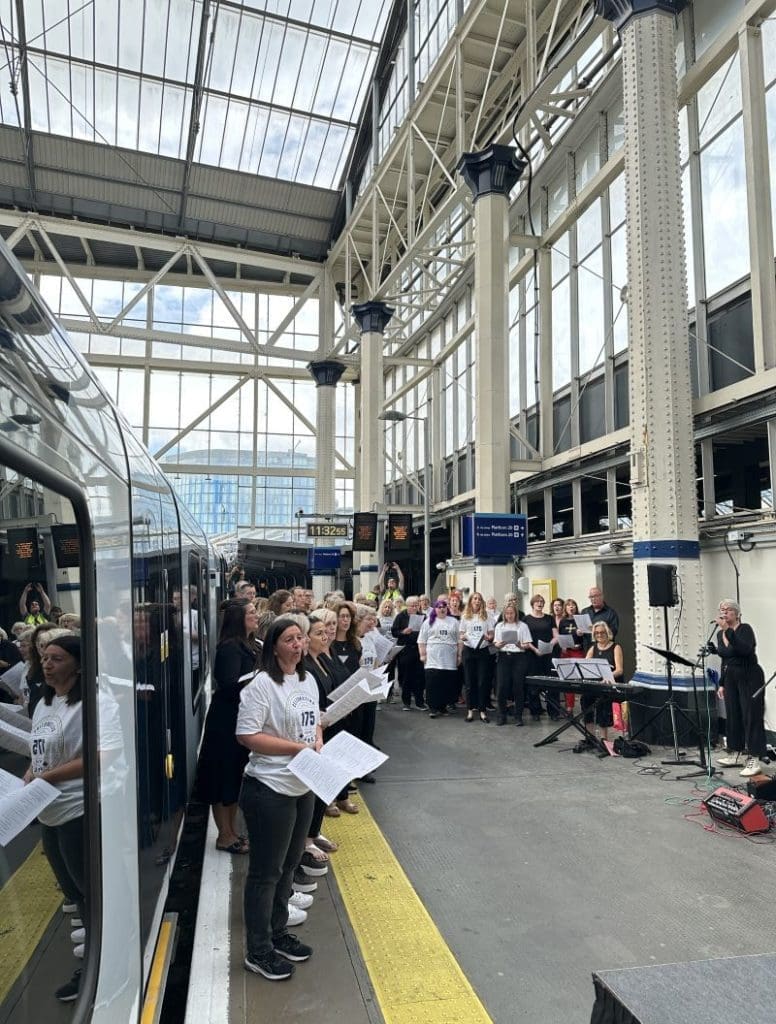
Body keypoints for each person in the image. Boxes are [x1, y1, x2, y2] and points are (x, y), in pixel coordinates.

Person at [236, 617, 321, 981]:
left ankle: (278, 931)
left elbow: (315, 719)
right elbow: (247, 735)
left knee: (288, 867)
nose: (298, 645)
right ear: (273, 646)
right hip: (268, 788)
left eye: (301, 638)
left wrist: (316, 740)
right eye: (290, 639)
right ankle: (258, 950)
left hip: (302, 786)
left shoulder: (308, 679)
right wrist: (296, 748)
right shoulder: (260, 685)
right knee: (265, 873)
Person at [194, 599, 259, 853]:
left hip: (239, 718)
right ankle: (224, 835)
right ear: (238, 619)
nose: (256, 616)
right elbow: (229, 683)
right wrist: (258, 678)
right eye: (252, 613)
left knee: (232, 778)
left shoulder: (248, 644)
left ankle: (231, 831)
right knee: (222, 778)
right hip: (226, 721)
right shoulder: (229, 648)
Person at [711, 600, 767, 777]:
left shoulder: (745, 630)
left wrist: (727, 630)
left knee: (751, 715)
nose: (724, 613)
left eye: (727, 610)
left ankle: (754, 758)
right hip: (731, 677)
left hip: (750, 675)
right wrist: (721, 683)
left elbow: (743, 650)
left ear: (736, 613)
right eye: (722, 610)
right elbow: (725, 658)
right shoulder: (721, 634)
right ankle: (735, 752)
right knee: (733, 714)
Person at [576, 622, 624, 752]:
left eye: (602, 632)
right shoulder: (593, 648)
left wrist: (608, 676)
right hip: (595, 683)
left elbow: (619, 670)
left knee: (604, 704)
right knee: (586, 700)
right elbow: (585, 666)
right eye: (596, 633)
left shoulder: (615, 647)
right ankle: (590, 738)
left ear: (607, 633)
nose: (599, 635)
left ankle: (604, 740)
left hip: (609, 683)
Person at [418, 598, 461, 718]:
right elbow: (421, 640)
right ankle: (433, 707)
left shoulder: (454, 622)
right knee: (433, 684)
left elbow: (459, 640)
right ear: (435, 609)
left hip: (449, 659)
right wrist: (423, 655)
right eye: (439, 607)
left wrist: (459, 655)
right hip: (433, 659)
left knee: (446, 683)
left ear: (447, 608)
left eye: (444, 607)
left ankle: (443, 707)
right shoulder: (428, 622)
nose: (442, 609)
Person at [493, 603, 532, 726]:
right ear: (504, 614)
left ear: (516, 614)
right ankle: (502, 715)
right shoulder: (500, 626)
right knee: (502, 686)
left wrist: (521, 645)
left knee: (518, 686)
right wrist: (499, 645)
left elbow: (527, 644)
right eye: (507, 613)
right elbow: (495, 642)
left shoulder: (522, 626)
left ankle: (518, 715)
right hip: (504, 656)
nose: (509, 615)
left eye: (512, 613)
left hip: (518, 657)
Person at [523, 594, 559, 720]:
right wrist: (535, 649)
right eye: (537, 601)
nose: (539, 603)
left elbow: (556, 636)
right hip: (532, 654)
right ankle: (535, 711)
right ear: (532, 604)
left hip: (549, 654)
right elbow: (524, 639)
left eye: (542, 601)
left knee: (552, 683)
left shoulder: (549, 618)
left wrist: (550, 645)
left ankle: (554, 712)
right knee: (533, 684)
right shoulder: (526, 619)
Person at [460, 592, 494, 722]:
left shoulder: (487, 616)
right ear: (470, 601)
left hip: (482, 651)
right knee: (469, 682)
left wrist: (489, 638)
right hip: (469, 651)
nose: (477, 601)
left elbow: (491, 634)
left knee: (482, 682)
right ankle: (470, 711)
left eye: (479, 599)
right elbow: (461, 634)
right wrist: (463, 637)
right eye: (475, 598)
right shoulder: (465, 616)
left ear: (482, 602)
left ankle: (482, 711)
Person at [392, 596, 426, 711]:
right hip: (405, 649)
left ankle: (419, 702)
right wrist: (403, 632)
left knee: (419, 676)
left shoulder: (422, 616)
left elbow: (427, 630)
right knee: (406, 676)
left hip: (418, 649)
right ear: (407, 606)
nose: (415, 607)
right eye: (412, 605)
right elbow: (394, 632)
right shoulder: (401, 616)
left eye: (417, 605)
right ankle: (406, 702)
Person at [557, 598, 584, 714]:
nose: (571, 607)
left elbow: (587, 637)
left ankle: (585, 703)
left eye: (573, 605)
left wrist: (580, 642)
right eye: (568, 605)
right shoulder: (562, 622)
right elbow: (560, 636)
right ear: (565, 608)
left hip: (578, 651)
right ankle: (569, 707)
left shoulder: (580, 620)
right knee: (568, 679)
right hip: (566, 652)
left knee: (583, 678)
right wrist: (563, 646)